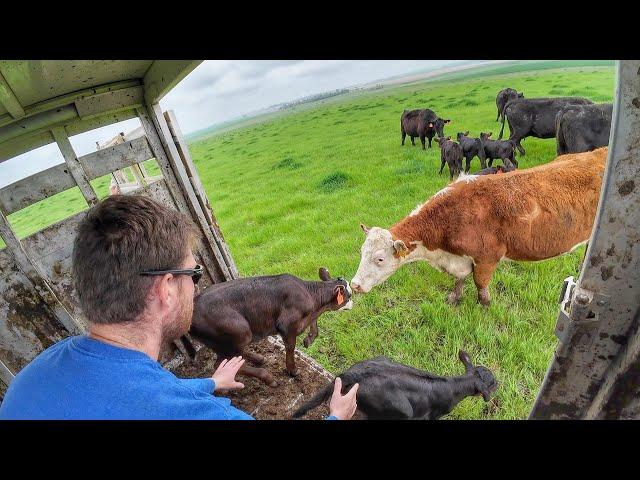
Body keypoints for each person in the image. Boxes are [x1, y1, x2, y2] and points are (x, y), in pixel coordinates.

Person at [0, 195, 358, 420]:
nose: (196, 285)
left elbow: (141, 394)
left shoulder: (30, 378)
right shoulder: (203, 415)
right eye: (194, 274)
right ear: (167, 288)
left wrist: (208, 382)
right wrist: (337, 417)